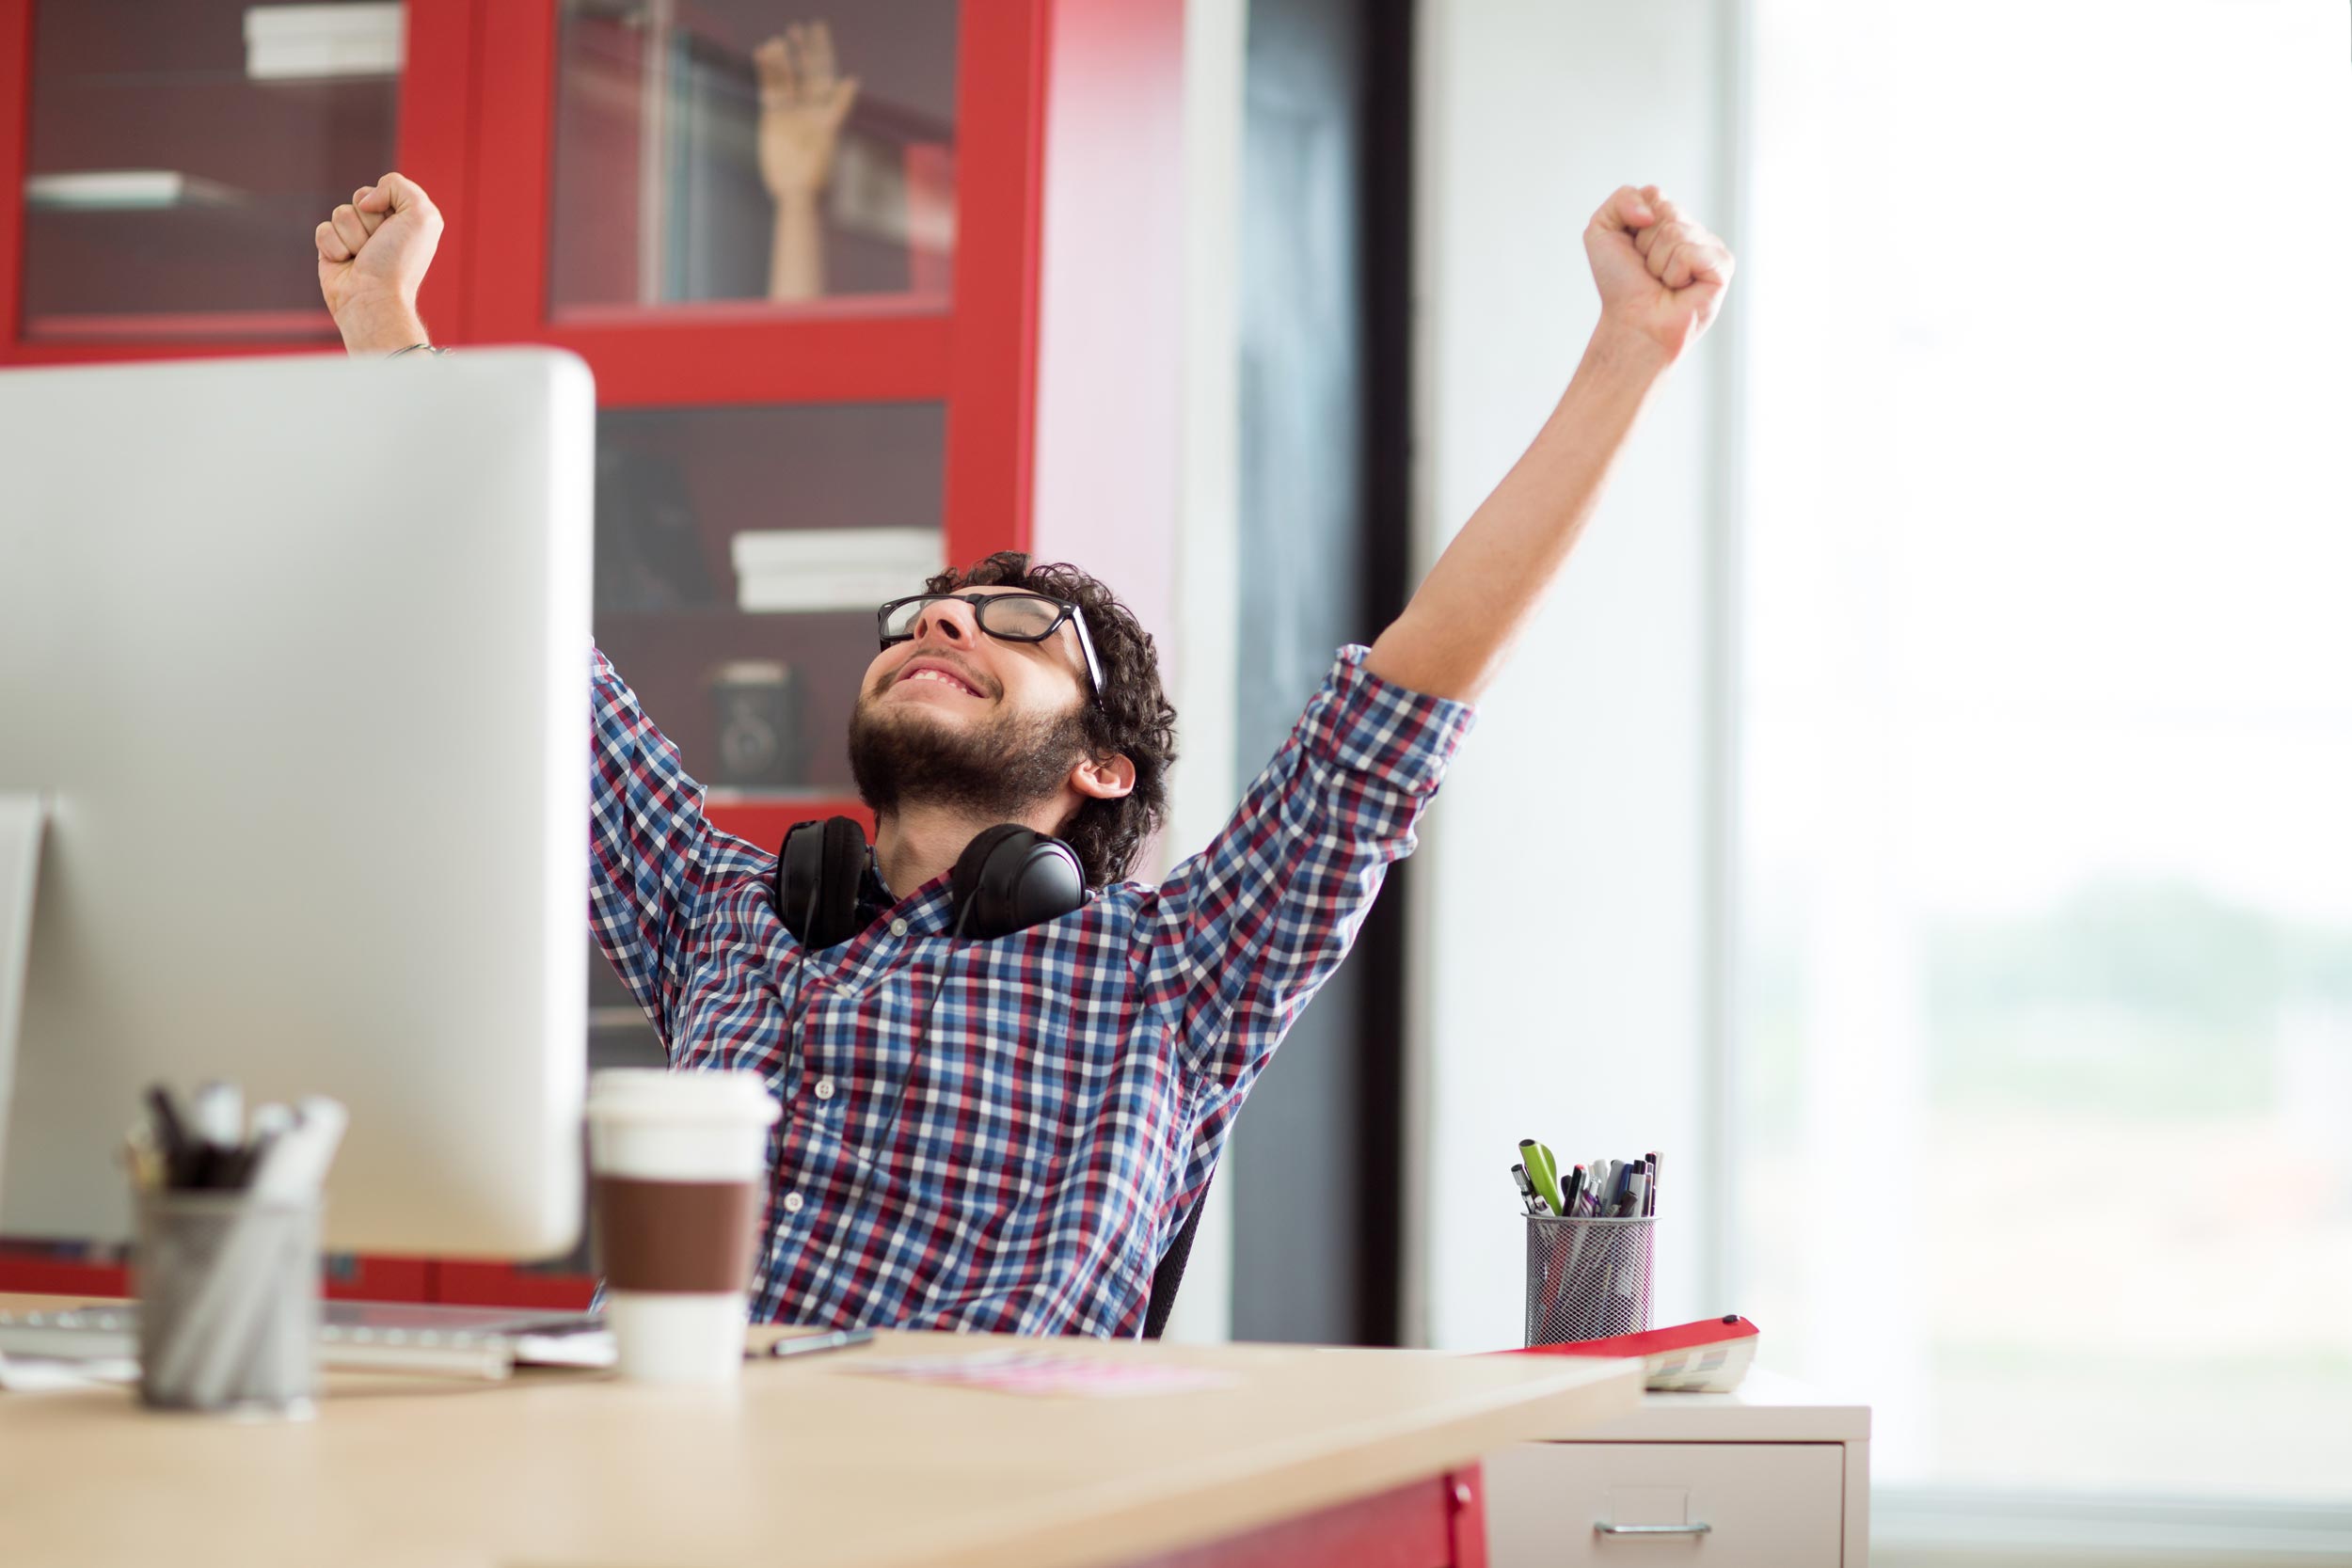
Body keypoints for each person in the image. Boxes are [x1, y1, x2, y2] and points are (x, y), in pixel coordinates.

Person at [311, 166, 1733, 1337]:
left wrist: (1629, 352)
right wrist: (385, 325)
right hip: (643, 1483)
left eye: (1017, 626)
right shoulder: (718, 915)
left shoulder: (1177, 975)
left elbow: (1411, 695)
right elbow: (526, 631)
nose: (940, 620)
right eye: (922, 616)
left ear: (1102, 766)